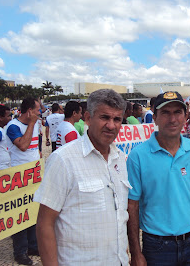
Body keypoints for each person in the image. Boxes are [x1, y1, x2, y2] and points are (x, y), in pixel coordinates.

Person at [35, 89, 130, 265]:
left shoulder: (121, 160)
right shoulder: (63, 160)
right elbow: (44, 224)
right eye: (104, 117)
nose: (111, 125)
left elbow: (119, 218)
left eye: (117, 119)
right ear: (87, 118)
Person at [127, 91, 190, 266]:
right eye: (165, 113)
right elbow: (132, 205)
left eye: (177, 112)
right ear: (155, 117)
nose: (172, 119)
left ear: (185, 116)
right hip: (156, 246)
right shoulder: (138, 156)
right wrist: (136, 252)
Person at [6, 97, 41, 265]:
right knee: (20, 214)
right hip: (18, 177)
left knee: (33, 210)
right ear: (29, 111)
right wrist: (32, 124)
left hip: (33, 174)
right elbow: (23, 145)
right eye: (37, 110)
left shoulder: (35, 125)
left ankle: (33, 245)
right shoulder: (13, 127)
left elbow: (35, 146)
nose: (39, 113)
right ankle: (19, 251)